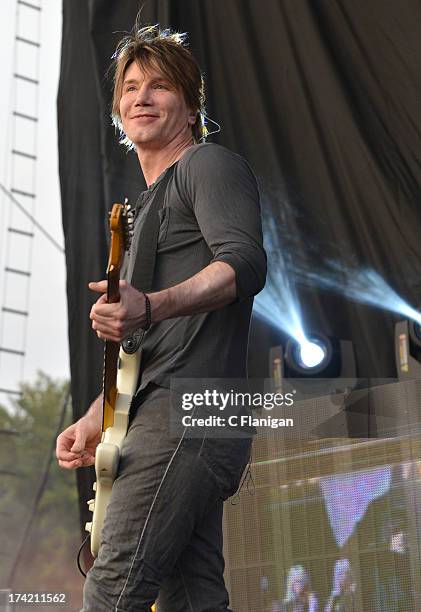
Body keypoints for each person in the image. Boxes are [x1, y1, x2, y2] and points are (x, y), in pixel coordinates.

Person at [56, 22, 266, 612]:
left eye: (159, 86)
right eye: (129, 87)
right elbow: (147, 344)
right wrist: (99, 414)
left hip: (190, 410)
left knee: (112, 590)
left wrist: (150, 303)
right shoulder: (144, 206)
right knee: (193, 600)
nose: (140, 97)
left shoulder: (207, 165)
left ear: (191, 103)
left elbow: (244, 264)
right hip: (167, 410)